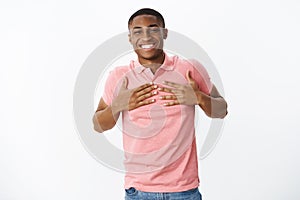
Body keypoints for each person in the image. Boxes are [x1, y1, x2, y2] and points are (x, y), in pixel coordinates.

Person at [93, 8, 228, 200]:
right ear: (130, 37)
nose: (146, 36)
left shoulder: (189, 68)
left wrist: (198, 97)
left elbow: (222, 110)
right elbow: (97, 124)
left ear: (165, 33)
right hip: (138, 192)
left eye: (153, 29)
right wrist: (117, 105)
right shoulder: (119, 76)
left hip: (184, 191)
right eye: (137, 31)